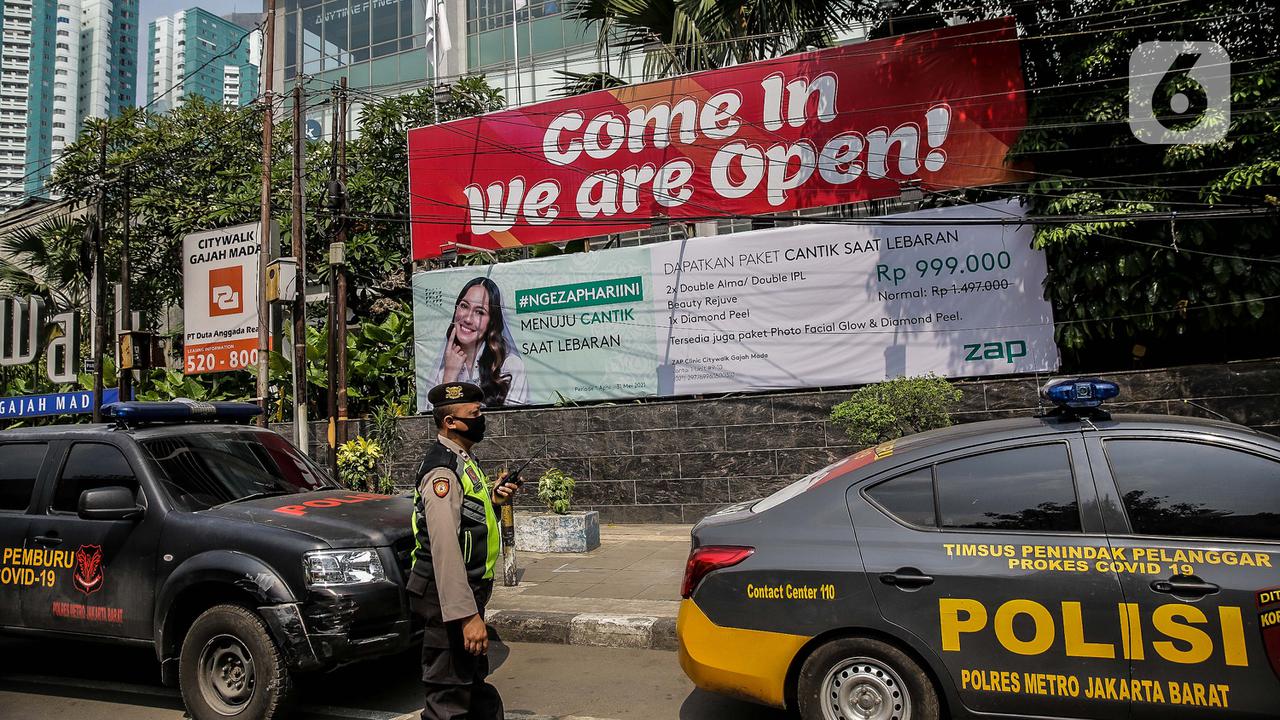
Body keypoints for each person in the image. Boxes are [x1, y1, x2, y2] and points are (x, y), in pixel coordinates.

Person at [407, 382, 520, 720]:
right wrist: (466, 616)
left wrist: (496, 499)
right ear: (451, 422)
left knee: (471, 688)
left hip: (465, 593)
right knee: (449, 699)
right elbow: (445, 550)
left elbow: (469, 514)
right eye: (475, 414)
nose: (481, 418)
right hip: (448, 598)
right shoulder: (442, 471)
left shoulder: (463, 458)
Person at [427, 277, 529, 408]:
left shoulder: (510, 366)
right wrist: (450, 376)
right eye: (464, 306)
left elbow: (514, 422)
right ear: (456, 309)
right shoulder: (439, 372)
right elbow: (435, 423)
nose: (468, 319)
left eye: (479, 312)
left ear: (492, 321)